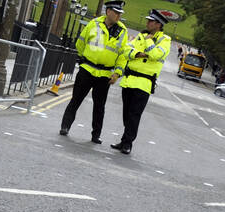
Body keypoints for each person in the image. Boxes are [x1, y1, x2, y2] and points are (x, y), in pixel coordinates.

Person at [59, 1, 130, 144]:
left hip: (104, 75)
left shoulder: (123, 31)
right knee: (76, 100)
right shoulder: (94, 24)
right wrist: (84, 59)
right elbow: (80, 42)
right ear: (108, 11)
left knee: (99, 107)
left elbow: (123, 55)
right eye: (116, 12)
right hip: (87, 70)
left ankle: (96, 135)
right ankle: (65, 126)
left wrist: (117, 73)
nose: (118, 15)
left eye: (120, 13)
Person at [110, 9, 170, 155]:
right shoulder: (140, 36)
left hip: (144, 83)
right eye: (148, 20)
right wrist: (139, 54)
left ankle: (128, 143)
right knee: (126, 114)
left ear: (158, 24)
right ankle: (125, 140)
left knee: (134, 114)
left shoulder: (165, 40)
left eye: (150, 21)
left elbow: (156, 55)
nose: (147, 22)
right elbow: (126, 50)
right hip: (129, 81)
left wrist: (149, 41)